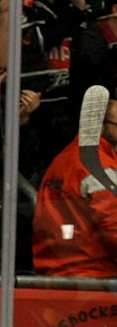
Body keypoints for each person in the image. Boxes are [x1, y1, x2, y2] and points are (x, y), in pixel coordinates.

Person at [32, 96, 117, 278]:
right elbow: (113, 227)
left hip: (59, 269)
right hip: (93, 273)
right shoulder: (99, 166)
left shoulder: (66, 158)